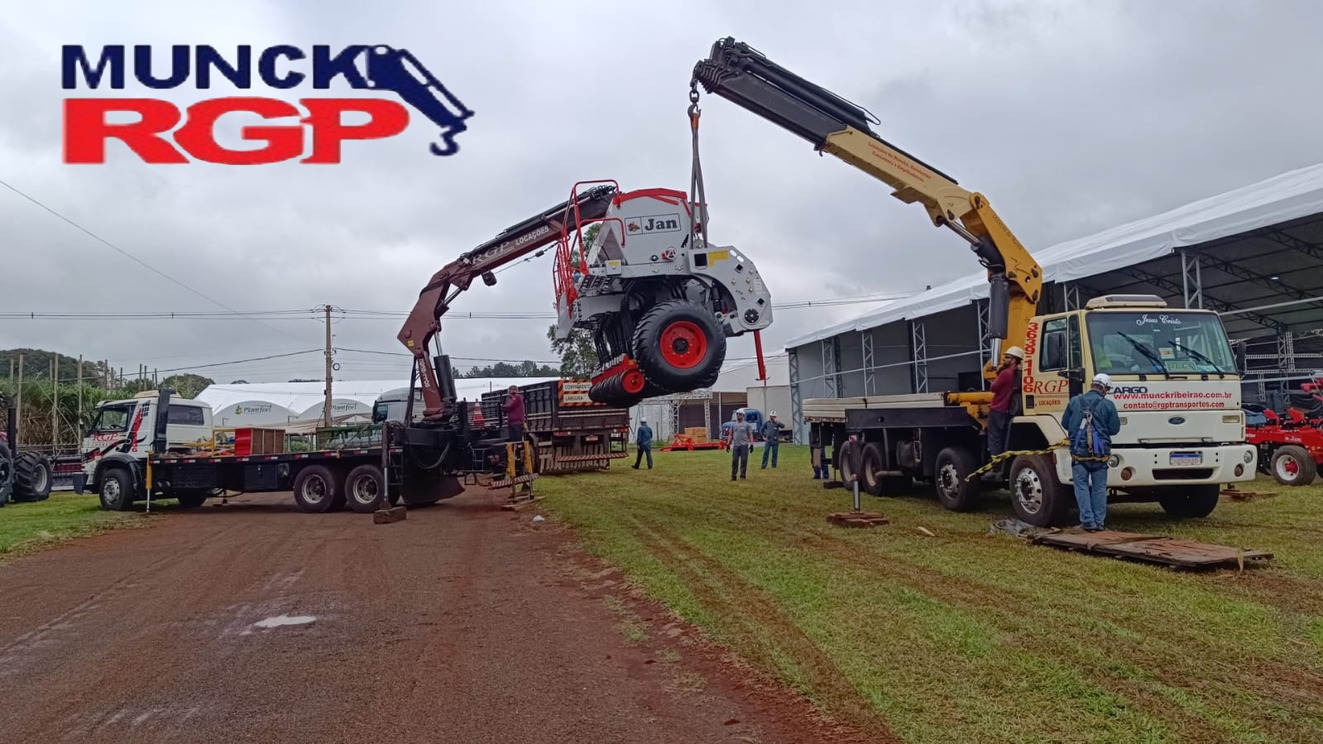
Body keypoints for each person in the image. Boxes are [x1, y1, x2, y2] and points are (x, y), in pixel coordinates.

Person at [1061, 373, 1122, 532]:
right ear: (1105, 388)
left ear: (1092, 384)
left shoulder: (1075, 401)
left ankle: (1088, 521)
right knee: (1099, 488)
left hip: (1079, 452)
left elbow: (1065, 423)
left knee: (1081, 486)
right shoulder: (1108, 405)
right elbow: (1114, 429)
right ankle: (1099, 522)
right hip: (1101, 453)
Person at [988, 346, 1024, 459]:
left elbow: (993, 388)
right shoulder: (1017, 374)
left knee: (994, 438)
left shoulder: (1006, 373)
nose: (1004, 359)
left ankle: (995, 463)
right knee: (1002, 438)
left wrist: (996, 378)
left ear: (1013, 360)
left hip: (997, 409)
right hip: (1007, 410)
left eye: (1007, 357)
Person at [726, 410, 756, 481]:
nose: (738, 416)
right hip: (736, 446)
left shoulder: (747, 425)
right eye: (737, 414)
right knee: (734, 461)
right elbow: (730, 434)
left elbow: (750, 434)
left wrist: (751, 444)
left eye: (739, 414)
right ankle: (733, 476)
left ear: (743, 415)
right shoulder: (733, 425)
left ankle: (743, 476)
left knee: (744, 461)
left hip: (744, 446)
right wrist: (728, 444)